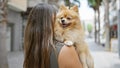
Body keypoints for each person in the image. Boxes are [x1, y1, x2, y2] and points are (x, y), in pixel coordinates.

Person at [23, 3, 82, 68]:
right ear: (50, 23)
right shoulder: (66, 50)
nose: (61, 22)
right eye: (58, 18)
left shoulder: (30, 53)